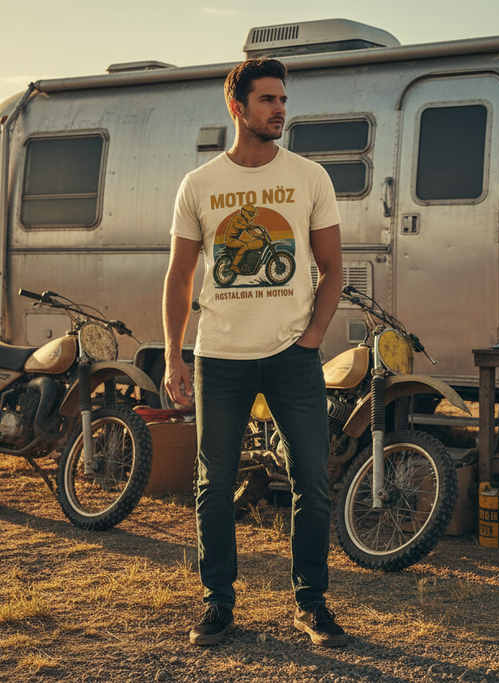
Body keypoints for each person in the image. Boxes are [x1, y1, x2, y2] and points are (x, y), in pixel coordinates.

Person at [162, 57, 347, 648]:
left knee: (312, 480)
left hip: (292, 357)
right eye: (268, 100)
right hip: (218, 356)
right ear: (237, 106)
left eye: (283, 100)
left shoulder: (310, 177)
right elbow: (179, 276)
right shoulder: (200, 185)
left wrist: (312, 337)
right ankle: (218, 604)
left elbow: (334, 269)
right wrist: (173, 355)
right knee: (213, 485)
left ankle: (311, 604)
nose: (280, 110)